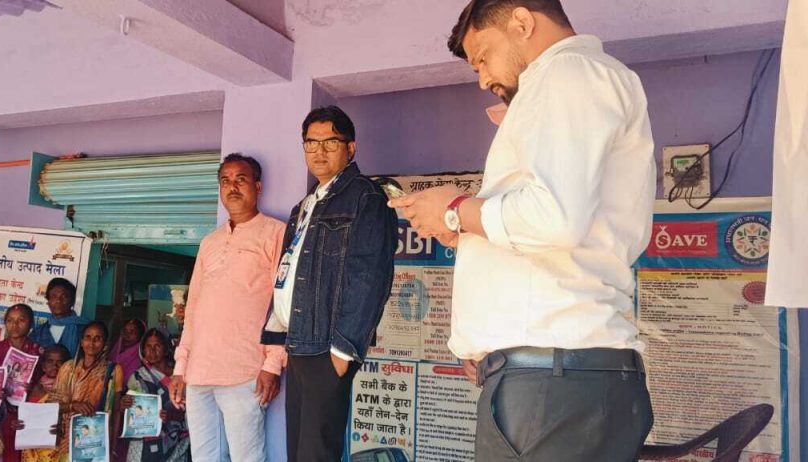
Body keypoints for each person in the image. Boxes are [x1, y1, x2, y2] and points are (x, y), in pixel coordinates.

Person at [388, 1, 655, 460]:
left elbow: (555, 217)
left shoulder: (566, 72)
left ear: (521, 22)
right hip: (557, 376)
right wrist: (467, 231)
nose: (482, 79)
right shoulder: (577, 80)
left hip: (553, 381)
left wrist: (454, 210)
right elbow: (557, 229)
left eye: (483, 58)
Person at [261, 105, 398, 461]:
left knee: (316, 454)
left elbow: (370, 276)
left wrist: (342, 351)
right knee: (299, 453)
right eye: (311, 143)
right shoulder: (305, 206)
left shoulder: (366, 197)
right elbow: (289, 269)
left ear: (350, 148)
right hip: (299, 344)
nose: (318, 151)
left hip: (327, 349)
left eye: (330, 142)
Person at [167, 153, 286, 461]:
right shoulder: (209, 242)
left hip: (244, 372)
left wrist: (273, 364)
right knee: (204, 457)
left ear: (257, 187)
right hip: (199, 375)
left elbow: (286, 304)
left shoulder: (276, 233)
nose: (232, 187)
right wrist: (181, 369)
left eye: (240, 179)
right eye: (225, 181)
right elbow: (194, 308)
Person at [0, 303, 45, 462]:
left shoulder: (39, 352)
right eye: (10, 320)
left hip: (28, 416)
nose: (15, 325)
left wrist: (34, 389)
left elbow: (47, 386)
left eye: (21, 320)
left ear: (31, 323)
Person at [52, 321, 124, 461]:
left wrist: (112, 448)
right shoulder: (68, 368)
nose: (91, 343)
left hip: (96, 440)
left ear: (105, 344)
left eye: (98, 338)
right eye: (88, 337)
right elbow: (53, 406)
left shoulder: (113, 371)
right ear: (81, 341)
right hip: (66, 438)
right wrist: (73, 406)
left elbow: (116, 411)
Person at [122, 328, 189, 462]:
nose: (152, 350)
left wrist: (172, 416)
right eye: (148, 346)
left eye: (157, 345)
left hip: (176, 444)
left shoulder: (179, 378)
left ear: (166, 348)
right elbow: (129, 412)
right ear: (143, 350)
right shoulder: (137, 377)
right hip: (143, 446)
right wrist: (124, 404)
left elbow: (192, 411)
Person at [20, 344, 71, 462]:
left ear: (67, 366)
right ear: (43, 366)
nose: (55, 366)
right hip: (32, 450)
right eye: (50, 361)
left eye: (60, 362)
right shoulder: (32, 388)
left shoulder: (69, 390)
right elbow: (26, 418)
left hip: (57, 449)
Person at [31, 277, 91, 355]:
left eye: (64, 297)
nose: (58, 300)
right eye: (54, 297)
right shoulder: (37, 333)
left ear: (72, 301)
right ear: (48, 302)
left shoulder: (86, 329)